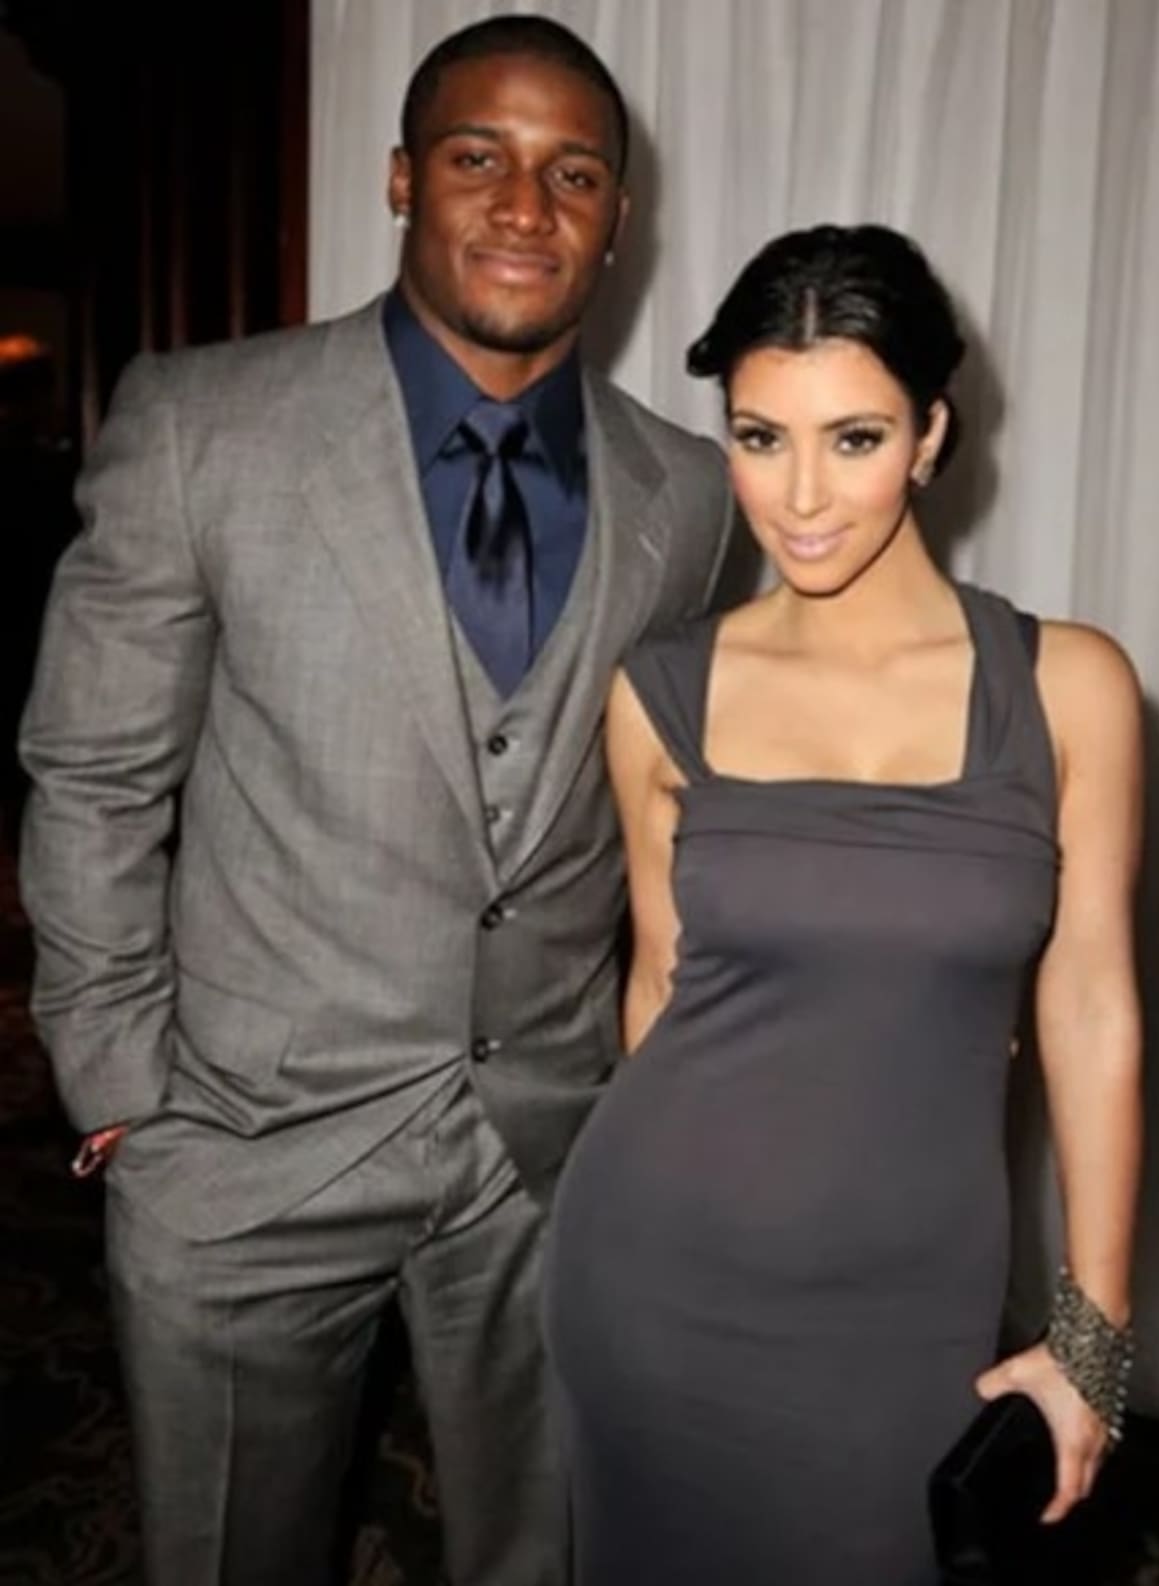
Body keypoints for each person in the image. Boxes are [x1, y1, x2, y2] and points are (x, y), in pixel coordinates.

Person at [18, 15, 736, 1586]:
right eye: (481, 156)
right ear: (405, 178)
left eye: (574, 173)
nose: (526, 204)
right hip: (244, 1143)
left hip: (548, 1155)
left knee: (547, 1555)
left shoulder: (690, 493)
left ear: (619, 219)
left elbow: (673, 798)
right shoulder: (203, 424)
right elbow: (93, 773)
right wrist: (124, 1089)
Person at [544, 223, 1142, 1585]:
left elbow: (1095, 1008)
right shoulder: (659, 691)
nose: (801, 496)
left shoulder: (1069, 688)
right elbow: (658, 986)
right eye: (761, 439)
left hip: (911, 1306)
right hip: (654, 1282)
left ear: (931, 435)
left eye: (854, 439)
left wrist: (1093, 1334)